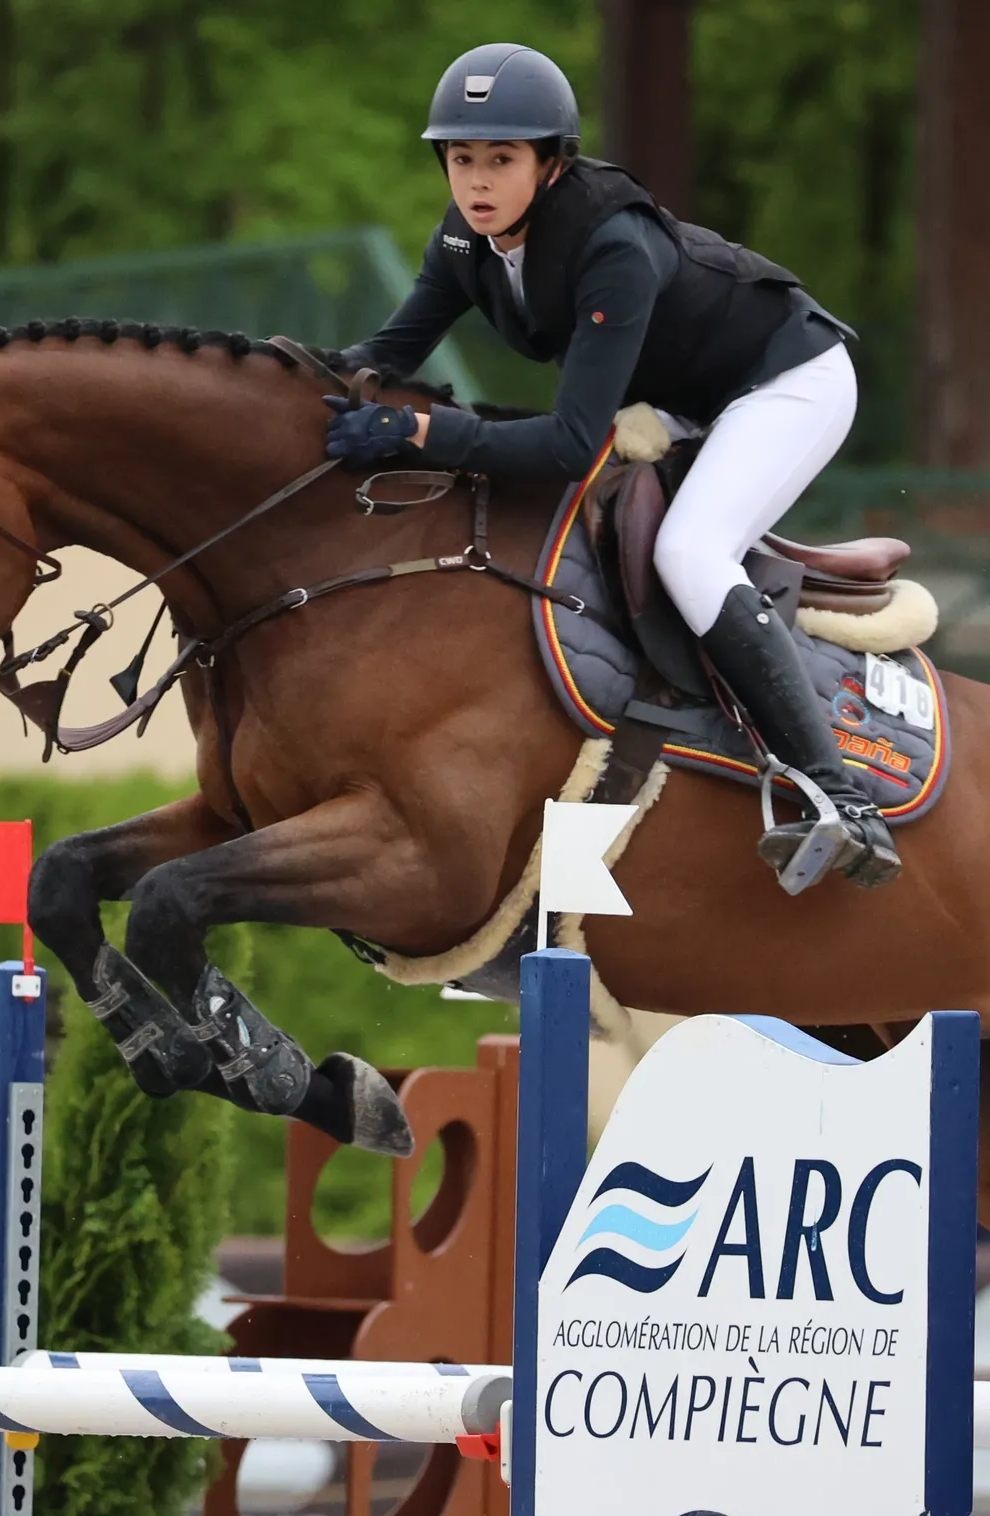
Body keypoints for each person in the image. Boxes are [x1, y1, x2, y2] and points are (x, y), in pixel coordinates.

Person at [326, 43, 897, 894]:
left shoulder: (613, 244)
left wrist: (416, 432)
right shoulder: (462, 240)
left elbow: (563, 445)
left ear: (552, 163)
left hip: (787, 382)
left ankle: (842, 797)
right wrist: (279, 387)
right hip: (681, 393)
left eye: (501, 159)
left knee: (690, 551)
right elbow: (380, 355)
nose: (476, 181)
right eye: (460, 158)